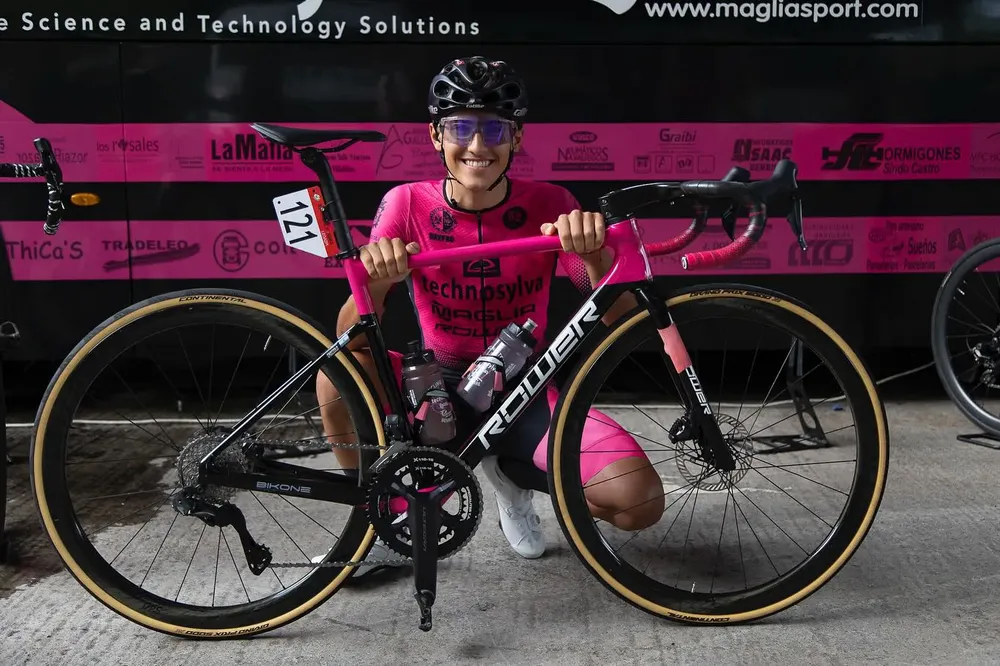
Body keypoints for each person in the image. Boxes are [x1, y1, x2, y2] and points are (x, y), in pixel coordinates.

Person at [316, 56, 665, 580]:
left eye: (494, 129)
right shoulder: (406, 202)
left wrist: (593, 255)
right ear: (436, 135)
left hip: (523, 390)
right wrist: (380, 279)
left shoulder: (551, 202)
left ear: (516, 138)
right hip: (432, 390)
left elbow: (617, 313)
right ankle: (375, 519)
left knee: (639, 502)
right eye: (460, 127)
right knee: (333, 376)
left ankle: (510, 472)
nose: (477, 146)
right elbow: (348, 338)